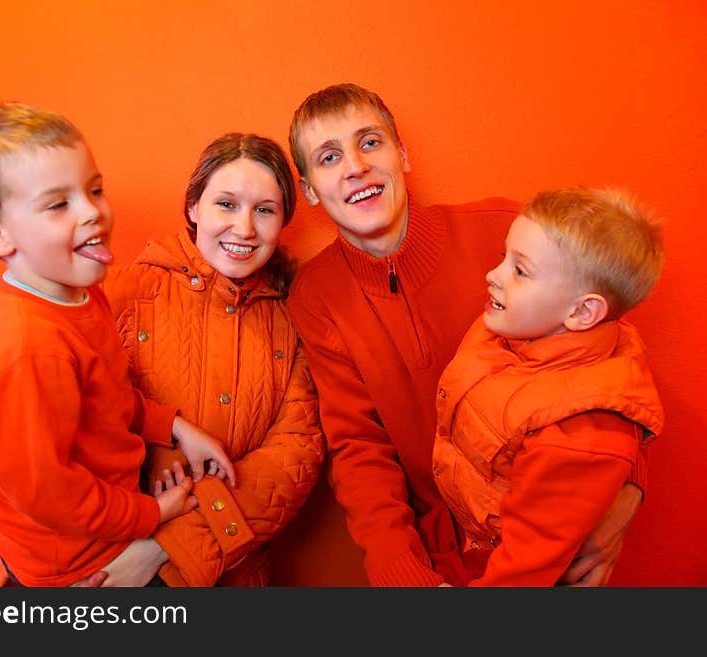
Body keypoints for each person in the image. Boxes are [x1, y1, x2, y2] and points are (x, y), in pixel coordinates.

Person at [285, 82, 648, 586]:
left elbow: (606, 358)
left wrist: (625, 492)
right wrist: (402, 574)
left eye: (370, 143)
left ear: (402, 153)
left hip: (547, 541)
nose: (355, 166)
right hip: (441, 551)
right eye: (328, 157)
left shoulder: (505, 232)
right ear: (308, 191)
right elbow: (359, 448)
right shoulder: (316, 296)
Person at [0, 102, 235, 587]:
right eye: (59, 204)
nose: (93, 212)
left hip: (107, 516)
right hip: (77, 566)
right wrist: (151, 514)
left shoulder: (80, 292)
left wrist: (175, 426)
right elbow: (50, 494)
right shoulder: (24, 350)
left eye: (94, 190)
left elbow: (106, 399)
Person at [100, 132, 325, 586]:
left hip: (228, 574)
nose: (244, 229)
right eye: (226, 204)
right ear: (193, 208)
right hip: (102, 568)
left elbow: (295, 455)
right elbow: (56, 413)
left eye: (264, 210)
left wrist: (167, 548)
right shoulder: (122, 293)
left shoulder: (295, 316)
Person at [433, 187, 664, 586]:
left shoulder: (577, 432)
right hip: (457, 541)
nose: (493, 275)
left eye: (520, 270)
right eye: (502, 259)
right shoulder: (514, 325)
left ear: (581, 312)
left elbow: (526, 569)